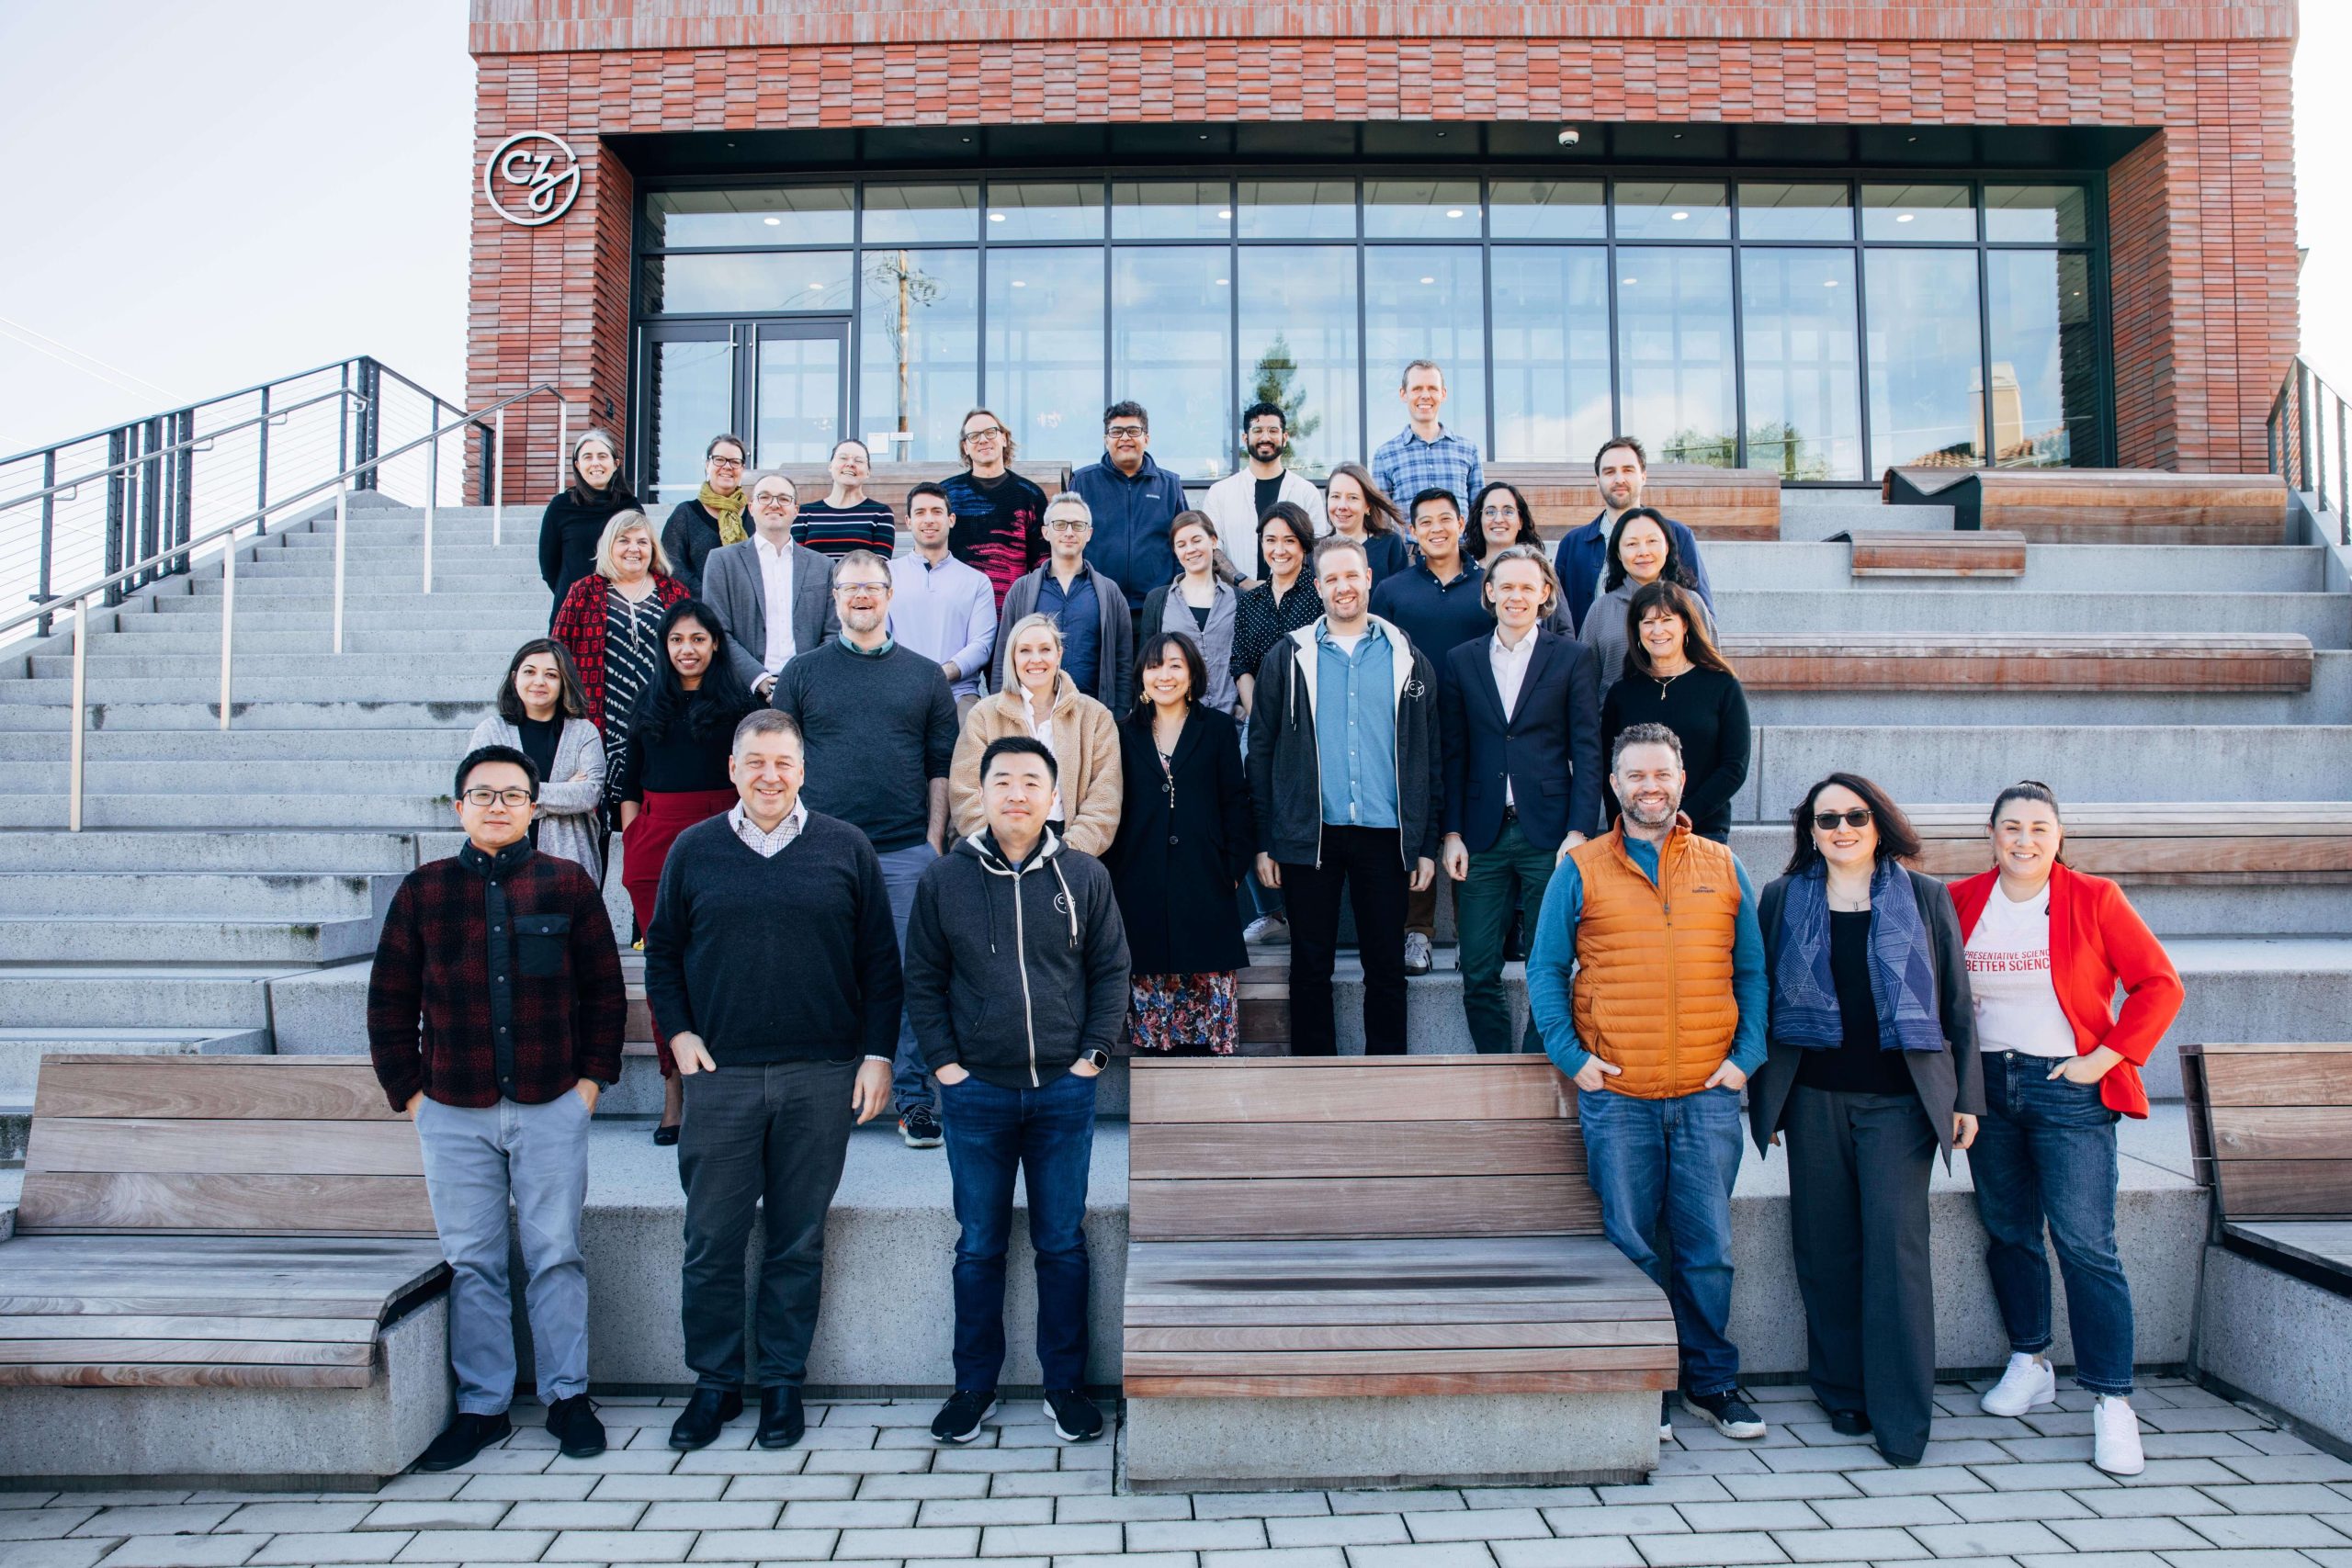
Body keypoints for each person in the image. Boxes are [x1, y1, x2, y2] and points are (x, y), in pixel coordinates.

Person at [642, 709, 900, 1454]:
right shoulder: (694, 850)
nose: (769, 775)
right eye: (755, 761)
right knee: (710, 1238)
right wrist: (681, 1034)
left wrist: (877, 1054)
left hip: (820, 1075)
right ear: (732, 768)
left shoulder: (846, 848)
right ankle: (715, 1384)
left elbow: (880, 965)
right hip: (720, 1076)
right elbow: (663, 956)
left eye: (783, 762)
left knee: (796, 1238)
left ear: (804, 767)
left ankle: (782, 1382)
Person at [368, 744, 626, 1471]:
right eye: (484, 795)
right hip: (452, 1105)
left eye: (514, 795)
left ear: (535, 808)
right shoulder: (423, 892)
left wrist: (589, 1087)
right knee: (473, 1261)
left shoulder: (569, 886)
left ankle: (567, 1396)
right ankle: (483, 1406)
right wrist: (412, 1095)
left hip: (551, 1101)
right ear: (460, 807)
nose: (499, 806)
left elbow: (604, 993)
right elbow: (389, 1001)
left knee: (555, 1254)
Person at [1525, 723, 1770, 1443]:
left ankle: (1711, 1380)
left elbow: (1753, 970)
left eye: (1661, 773)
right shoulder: (1582, 868)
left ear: (1682, 780)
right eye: (1635, 775)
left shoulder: (1724, 866)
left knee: (1708, 1249)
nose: (1649, 786)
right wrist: (1575, 1061)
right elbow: (1544, 970)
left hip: (1706, 1091)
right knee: (1632, 1245)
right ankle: (1645, 1379)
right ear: (1615, 785)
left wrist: (1745, 1056)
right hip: (1619, 1096)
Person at [1749, 774, 1984, 1468]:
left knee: (1895, 1253)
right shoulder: (1782, 899)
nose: (1842, 828)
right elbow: (1759, 997)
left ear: (1878, 823)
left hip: (1899, 1103)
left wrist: (1965, 1097)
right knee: (1825, 1251)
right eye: (1827, 819)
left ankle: (1902, 1416)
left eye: (1855, 816)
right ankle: (1841, 1390)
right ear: (1810, 831)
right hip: (1813, 1098)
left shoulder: (1925, 897)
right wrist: (1768, 1096)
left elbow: (1959, 1007)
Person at [1953, 780, 2186, 1478]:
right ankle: (2030, 1357)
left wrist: (2106, 1058)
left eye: (2038, 828)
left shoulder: (2095, 898)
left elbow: (2160, 983)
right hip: (1989, 1088)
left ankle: (2113, 1401)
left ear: (2059, 837)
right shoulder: (1962, 898)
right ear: (1991, 834)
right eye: (2011, 827)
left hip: (2068, 1089)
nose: (2024, 839)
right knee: (2009, 1230)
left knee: (2086, 1243)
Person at [904, 735, 1130, 1446]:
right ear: (983, 791)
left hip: (1064, 1091)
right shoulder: (946, 879)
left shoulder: (1085, 875)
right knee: (979, 1246)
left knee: (1062, 1243)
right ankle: (974, 1386)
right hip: (977, 1095)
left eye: (1032, 781)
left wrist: (1093, 1055)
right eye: (1003, 780)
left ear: (1052, 796)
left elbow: (1112, 969)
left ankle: (1064, 1386)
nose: (1017, 793)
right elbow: (922, 978)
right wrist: (944, 1064)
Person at [773, 550, 960, 1151]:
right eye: (849, 586)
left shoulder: (926, 675)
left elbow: (940, 768)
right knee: (817, 975)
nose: (860, 595)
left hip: (906, 849)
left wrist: (933, 841)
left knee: (910, 977)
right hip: (820, 852)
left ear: (889, 594)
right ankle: (821, 1100)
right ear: (834, 597)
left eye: (872, 586)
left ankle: (912, 1100)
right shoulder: (801, 673)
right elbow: (778, 763)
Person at [1247, 536, 1442, 1056]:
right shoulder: (1287, 657)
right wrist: (1266, 839)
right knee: (1310, 963)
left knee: (1385, 964)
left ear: (1369, 578)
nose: (1343, 587)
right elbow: (1260, 752)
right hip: (1313, 835)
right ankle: (1315, 1077)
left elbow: (1429, 755)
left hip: (1386, 834)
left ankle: (1386, 1079)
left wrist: (1425, 844)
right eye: (1331, 578)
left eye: (1351, 575)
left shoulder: (1407, 658)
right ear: (1318, 587)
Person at [1439, 546, 1601, 1054]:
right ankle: (1495, 1064)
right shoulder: (1461, 660)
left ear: (1545, 595)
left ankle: (1535, 1059)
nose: (1516, 596)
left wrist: (1579, 830)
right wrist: (1452, 832)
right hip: (1482, 833)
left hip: (1550, 832)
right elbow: (1454, 752)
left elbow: (1588, 750)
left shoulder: (1573, 658)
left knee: (1548, 960)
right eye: (1505, 586)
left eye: (1527, 587)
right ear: (1489, 593)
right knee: (1478, 963)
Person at [616, 599, 760, 1143]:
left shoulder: (736, 706)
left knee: (723, 963)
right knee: (666, 969)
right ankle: (674, 1087)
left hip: (722, 836)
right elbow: (627, 785)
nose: (687, 649)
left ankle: (722, 1083)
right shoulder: (646, 703)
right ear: (664, 647)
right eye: (677, 640)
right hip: (655, 842)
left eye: (697, 639)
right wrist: (634, 839)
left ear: (715, 644)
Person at [1105, 633, 1253, 1055]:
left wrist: (1233, 869)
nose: (1164, 675)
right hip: (1140, 882)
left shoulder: (1219, 728)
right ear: (1141, 676)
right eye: (1154, 666)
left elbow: (1236, 802)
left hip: (1206, 879)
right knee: (1153, 1006)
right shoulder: (1122, 733)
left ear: (1191, 676)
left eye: (1175, 665)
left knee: (1207, 1009)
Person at [1372, 486, 1495, 976]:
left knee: (1469, 824)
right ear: (1412, 531)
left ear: (1462, 523)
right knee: (1416, 823)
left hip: (1478, 723)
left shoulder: (1488, 584)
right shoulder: (1393, 589)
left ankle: (1471, 937)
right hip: (1410, 725)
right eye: (1426, 522)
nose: (1437, 529)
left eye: (1446, 519)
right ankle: (1417, 934)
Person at [548, 511, 690, 815]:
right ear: (608, 546)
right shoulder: (583, 592)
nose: (634, 548)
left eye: (642, 541)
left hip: (662, 715)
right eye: (623, 540)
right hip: (601, 717)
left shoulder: (674, 592)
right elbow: (558, 656)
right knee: (599, 810)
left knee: (657, 807)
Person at [1227, 502, 1323, 945]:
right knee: (1242, 807)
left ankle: (1307, 910)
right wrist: (1263, 714)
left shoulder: (1319, 594)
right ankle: (1270, 910)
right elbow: (1241, 664)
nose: (1279, 549)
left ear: (1304, 544)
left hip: (1315, 722)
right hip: (1263, 723)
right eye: (1271, 540)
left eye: (1289, 540)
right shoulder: (1252, 602)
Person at [951, 614, 1123, 856]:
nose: (1036, 659)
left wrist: (1068, 854)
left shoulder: (1095, 717)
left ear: (1059, 655)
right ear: (1013, 657)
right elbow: (964, 792)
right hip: (997, 851)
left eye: (1045, 649)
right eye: (1025, 651)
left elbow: (1104, 800)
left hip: (1070, 847)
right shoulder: (984, 715)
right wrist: (1007, 850)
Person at [1599, 581, 1749, 844]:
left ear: (1685, 624)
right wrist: (1623, 825)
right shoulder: (1621, 693)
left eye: (1666, 620)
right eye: (1647, 622)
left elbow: (1734, 766)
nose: (1657, 631)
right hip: (1636, 833)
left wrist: (1685, 815)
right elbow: (1607, 768)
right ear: (1636, 631)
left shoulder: (1722, 686)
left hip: (1702, 830)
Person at [469, 640, 608, 883]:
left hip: (569, 865)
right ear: (515, 678)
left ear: (564, 682)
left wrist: (514, 794)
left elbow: (588, 794)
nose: (539, 681)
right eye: (530, 671)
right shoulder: (491, 732)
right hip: (501, 863)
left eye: (551, 675)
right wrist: (563, 790)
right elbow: (477, 795)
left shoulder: (583, 732)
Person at [1553, 436, 1716, 636]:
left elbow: (1703, 616)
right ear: (1597, 481)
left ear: (1644, 476)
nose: (1619, 479)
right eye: (1609, 471)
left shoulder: (1678, 535)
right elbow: (1557, 619)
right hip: (1596, 662)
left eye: (1628, 470)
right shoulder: (1573, 544)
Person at [703, 469, 842, 699]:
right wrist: (759, 679)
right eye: (764, 497)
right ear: (751, 507)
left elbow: (833, 632)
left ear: (796, 510)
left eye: (784, 499)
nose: (774, 504)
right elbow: (716, 630)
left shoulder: (823, 566)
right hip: (741, 691)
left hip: (809, 691)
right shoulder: (722, 561)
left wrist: (804, 679)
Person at [993, 492, 1134, 714]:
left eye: (1078, 525)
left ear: (1089, 534)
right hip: (1033, 717)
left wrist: (1121, 715)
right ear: (1045, 532)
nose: (1069, 532)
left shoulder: (1110, 593)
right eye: (1060, 524)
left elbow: (1123, 661)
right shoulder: (1021, 591)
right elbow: (1003, 656)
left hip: (1092, 714)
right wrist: (1001, 710)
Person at [1579, 506, 1716, 694]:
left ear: (1667, 547)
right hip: (1614, 720)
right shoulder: (1601, 609)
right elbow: (1584, 683)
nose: (1643, 552)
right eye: (1631, 544)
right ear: (1618, 553)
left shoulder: (1691, 604)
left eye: (1652, 541)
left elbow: (1713, 674)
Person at [890, 480, 998, 716]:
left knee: (971, 744)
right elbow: (880, 638)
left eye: (937, 511)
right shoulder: (887, 575)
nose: (929, 519)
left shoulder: (976, 581)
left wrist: (940, 675)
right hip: (898, 691)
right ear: (908, 522)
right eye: (920, 512)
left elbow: (981, 645)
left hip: (959, 695)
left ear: (951, 519)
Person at [1071, 400, 1187, 615]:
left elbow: (1183, 542)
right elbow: (1068, 542)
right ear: (1106, 440)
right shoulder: (1083, 482)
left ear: (1146, 438)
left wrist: (1175, 593)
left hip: (1155, 607)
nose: (1125, 437)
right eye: (1116, 431)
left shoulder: (1170, 485)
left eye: (1133, 430)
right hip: (1097, 603)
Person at [1201, 401, 1329, 578]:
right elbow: (1212, 548)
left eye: (1273, 431)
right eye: (1258, 430)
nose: (1265, 437)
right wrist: (1243, 583)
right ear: (1245, 439)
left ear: (1285, 437)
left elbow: (1316, 549)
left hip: (1293, 600)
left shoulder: (1306, 492)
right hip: (1235, 599)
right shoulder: (1220, 493)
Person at [1137, 511, 1241, 716]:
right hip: (1177, 721)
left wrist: (1244, 705)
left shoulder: (1239, 599)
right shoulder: (1158, 600)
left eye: (1196, 540)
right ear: (1175, 551)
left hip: (1233, 722)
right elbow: (1146, 664)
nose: (1190, 550)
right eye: (1181, 544)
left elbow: (1250, 660)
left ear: (1213, 541)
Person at [943, 407, 1048, 608]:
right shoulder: (946, 494)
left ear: (1004, 439)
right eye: (973, 436)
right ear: (965, 447)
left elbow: (1041, 566)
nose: (983, 440)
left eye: (990, 432)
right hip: (958, 610)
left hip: (1011, 612)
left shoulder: (1030, 495)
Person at [538, 428, 639, 623]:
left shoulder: (630, 507)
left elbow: (641, 559)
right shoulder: (560, 506)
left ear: (615, 464)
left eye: (602, 456)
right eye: (588, 457)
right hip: (572, 611)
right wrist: (574, 594)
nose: (596, 463)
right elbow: (549, 567)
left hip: (620, 610)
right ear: (577, 465)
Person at [1371, 360, 1483, 513]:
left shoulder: (1468, 451)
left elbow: (1478, 513)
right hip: (1408, 538)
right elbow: (1381, 519)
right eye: (1417, 389)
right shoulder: (1385, 455)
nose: (1425, 395)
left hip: (1460, 537)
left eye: (1432, 388)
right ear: (1403, 394)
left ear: (1443, 394)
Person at [1469, 479, 1571, 635]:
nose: (1498, 519)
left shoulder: (1542, 572)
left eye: (1508, 511)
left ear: (1520, 521)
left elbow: (1564, 631)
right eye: (1490, 511)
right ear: (1480, 519)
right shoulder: (1466, 572)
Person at [659, 434, 749, 596]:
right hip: (699, 612)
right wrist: (710, 597)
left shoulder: (755, 515)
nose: (727, 467)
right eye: (719, 459)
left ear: (742, 469)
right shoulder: (685, 514)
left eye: (735, 461)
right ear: (707, 465)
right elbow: (671, 565)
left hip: (747, 612)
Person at [794, 438, 899, 559]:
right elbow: (798, 563)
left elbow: (880, 566)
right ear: (830, 466)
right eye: (843, 458)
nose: (850, 464)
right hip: (815, 579)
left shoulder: (881, 513)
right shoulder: (804, 513)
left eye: (859, 460)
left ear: (868, 472)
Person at [1324, 462, 1411, 586]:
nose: (1342, 506)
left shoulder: (1389, 544)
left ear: (1367, 506)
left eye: (1353, 498)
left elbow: (1401, 596)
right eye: (1335, 496)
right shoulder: (1315, 551)